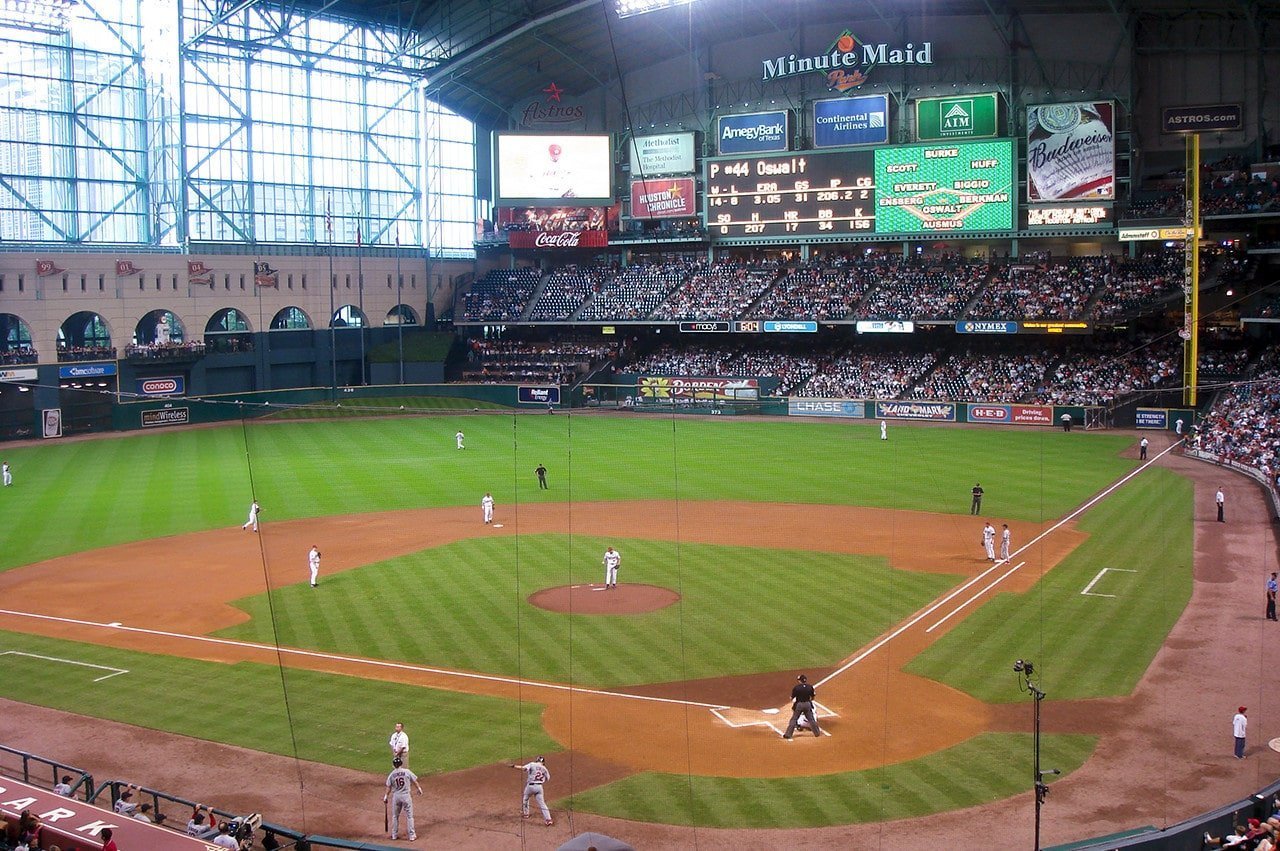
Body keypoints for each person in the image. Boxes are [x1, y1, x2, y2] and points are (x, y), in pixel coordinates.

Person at [383, 756, 423, 842]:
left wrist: (386, 796)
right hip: (406, 796)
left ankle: (394, 835)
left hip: (396, 796)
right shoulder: (407, 772)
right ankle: (412, 835)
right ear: (401, 763)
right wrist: (419, 788)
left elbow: (388, 786)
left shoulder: (392, 774)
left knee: (395, 816)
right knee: (409, 816)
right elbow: (414, 780)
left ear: (394, 765)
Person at [512, 755, 553, 825]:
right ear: (543, 762)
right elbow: (548, 778)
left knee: (525, 799)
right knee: (542, 803)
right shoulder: (544, 768)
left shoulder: (532, 764)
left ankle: (526, 814)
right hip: (539, 787)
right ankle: (548, 819)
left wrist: (514, 766)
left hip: (530, 787)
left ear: (537, 760)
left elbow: (524, 768)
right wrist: (540, 781)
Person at [782, 674, 821, 739]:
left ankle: (788, 734)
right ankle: (817, 733)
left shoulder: (796, 688)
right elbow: (813, 697)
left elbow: (792, 697)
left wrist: (792, 699)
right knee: (811, 719)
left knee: (794, 719)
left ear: (800, 681)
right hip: (808, 704)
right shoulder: (810, 687)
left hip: (799, 705)